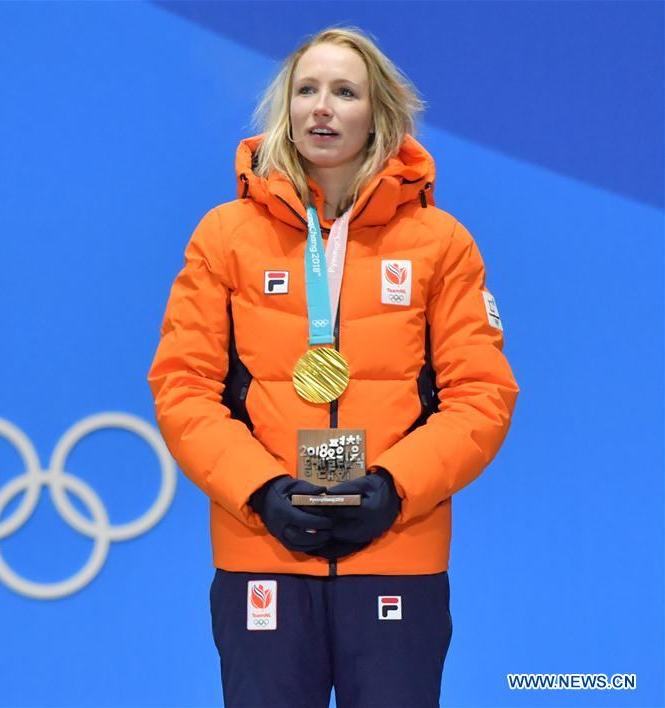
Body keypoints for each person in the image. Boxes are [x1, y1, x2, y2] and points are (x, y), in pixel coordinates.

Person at [148, 26, 518, 708]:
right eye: (307, 90)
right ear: (284, 109)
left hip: (397, 551)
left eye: (345, 92)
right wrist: (259, 491)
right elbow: (184, 387)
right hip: (263, 549)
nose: (323, 107)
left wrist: (395, 488)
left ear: (378, 112)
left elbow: (480, 395)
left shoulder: (441, 244)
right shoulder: (224, 236)